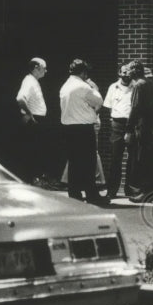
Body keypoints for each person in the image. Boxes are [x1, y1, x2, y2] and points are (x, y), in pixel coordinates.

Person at [59, 59, 105, 204]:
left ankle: (74, 194)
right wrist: (94, 87)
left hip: (68, 128)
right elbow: (99, 102)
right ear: (84, 72)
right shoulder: (83, 87)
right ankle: (92, 195)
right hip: (83, 129)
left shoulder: (64, 86)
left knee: (74, 162)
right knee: (89, 163)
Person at [126, 61, 153, 203]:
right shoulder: (149, 83)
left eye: (129, 70)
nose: (127, 72)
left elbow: (135, 108)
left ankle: (146, 192)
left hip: (144, 127)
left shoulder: (138, 85)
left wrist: (129, 129)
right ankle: (152, 194)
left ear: (135, 71)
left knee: (143, 160)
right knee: (151, 160)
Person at [103, 63, 135, 199]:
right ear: (119, 73)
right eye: (124, 72)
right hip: (117, 124)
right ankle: (112, 190)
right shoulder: (113, 87)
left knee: (133, 158)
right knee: (116, 158)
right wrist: (114, 120)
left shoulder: (136, 87)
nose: (126, 75)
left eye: (128, 72)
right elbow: (109, 106)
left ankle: (130, 189)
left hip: (132, 124)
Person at [15, 57, 49, 184]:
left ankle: (31, 179)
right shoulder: (29, 81)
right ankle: (29, 181)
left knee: (34, 152)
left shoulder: (33, 81)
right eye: (44, 68)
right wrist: (29, 114)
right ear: (36, 67)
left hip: (35, 120)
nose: (46, 71)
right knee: (32, 152)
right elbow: (20, 98)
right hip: (33, 121)